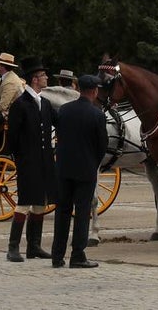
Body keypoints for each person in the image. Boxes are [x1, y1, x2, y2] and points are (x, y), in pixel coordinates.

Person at [50, 74, 108, 269]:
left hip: (64, 168)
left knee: (62, 211)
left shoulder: (64, 110)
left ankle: (57, 255)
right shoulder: (98, 115)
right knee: (82, 213)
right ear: (95, 91)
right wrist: (93, 163)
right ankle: (77, 255)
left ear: (79, 89)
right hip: (86, 169)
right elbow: (102, 146)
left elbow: (59, 135)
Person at [5, 57, 56, 263]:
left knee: (40, 204)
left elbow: (59, 121)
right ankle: (13, 247)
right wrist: (21, 161)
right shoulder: (20, 105)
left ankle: (34, 246)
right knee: (24, 203)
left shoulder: (45, 103)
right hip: (28, 161)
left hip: (45, 160)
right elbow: (13, 138)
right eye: (43, 75)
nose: (46, 78)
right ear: (35, 79)